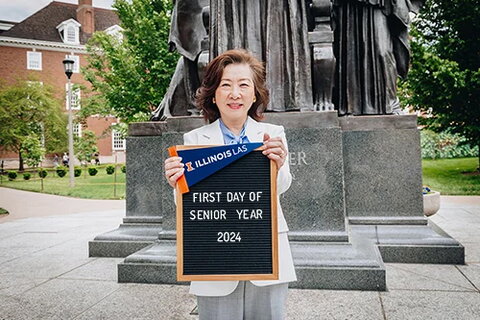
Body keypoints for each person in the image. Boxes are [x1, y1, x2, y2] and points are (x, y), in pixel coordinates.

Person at [164, 49, 296, 319]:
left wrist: (279, 164)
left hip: (266, 254)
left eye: (243, 85)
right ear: (213, 93)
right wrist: (176, 183)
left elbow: (281, 187)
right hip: (215, 259)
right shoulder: (194, 141)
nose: (235, 93)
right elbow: (190, 205)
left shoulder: (272, 135)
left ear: (255, 94)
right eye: (226, 85)